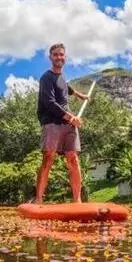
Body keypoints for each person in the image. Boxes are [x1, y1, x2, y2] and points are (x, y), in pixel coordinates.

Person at [34, 43, 90, 204]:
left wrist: (80, 95)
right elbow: (49, 102)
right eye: (55, 54)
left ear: (65, 57)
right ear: (50, 57)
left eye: (61, 54)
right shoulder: (46, 78)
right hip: (51, 122)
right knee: (48, 157)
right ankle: (38, 200)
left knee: (73, 158)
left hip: (68, 124)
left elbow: (66, 87)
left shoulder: (62, 77)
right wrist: (71, 117)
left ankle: (77, 201)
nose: (59, 57)